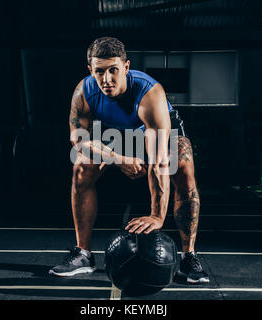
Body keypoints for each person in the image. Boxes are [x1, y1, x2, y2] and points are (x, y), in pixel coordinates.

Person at [49, 37, 209, 284]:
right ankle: (83, 254)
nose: (106, 79)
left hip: (152, 131)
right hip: (112, 135)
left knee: (184, 165)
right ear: (90, 70)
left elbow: (158, 161)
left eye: (113, 70)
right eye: (99, 71)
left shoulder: (149, 93)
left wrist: (156, 216)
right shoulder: (84, 92)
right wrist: (116, 158)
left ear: (126, 66)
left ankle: (189, 256)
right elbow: (78, 141)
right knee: (81, 167)